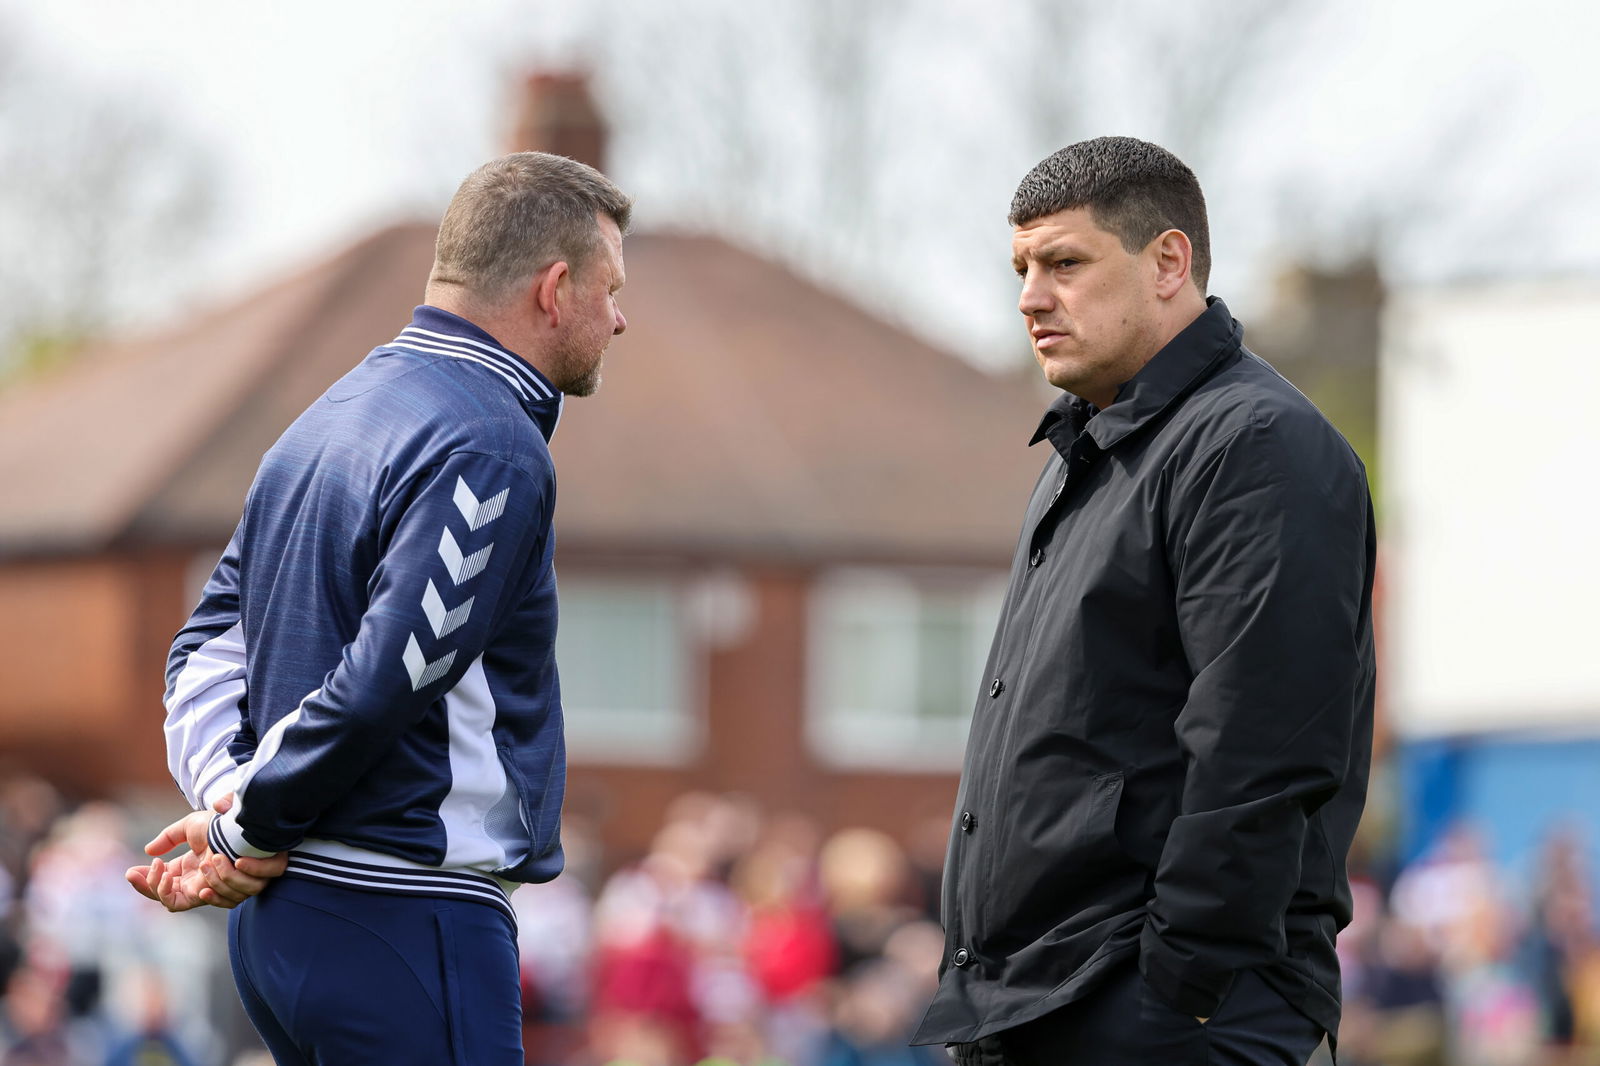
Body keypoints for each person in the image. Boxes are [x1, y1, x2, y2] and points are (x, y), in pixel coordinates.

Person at [123, 151, 631, 1065]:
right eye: (610, 288)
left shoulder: (325, 417)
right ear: (554, 289)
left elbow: (204, 648)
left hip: (282, 925)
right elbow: (383, 681)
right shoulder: (492, 445)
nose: (620, 317)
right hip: (400, 915)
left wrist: (237, 802)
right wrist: (247, 827)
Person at [911, 137, 1375, 1065]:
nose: (1030, 297)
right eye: (1021, 268)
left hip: (1165, 1012)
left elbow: (1264, 749)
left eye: (1066, 263)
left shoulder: (1256, 444)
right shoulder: (1091, 454)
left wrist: (1183, 986)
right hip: (1040, 1004)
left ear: (1169, 262)